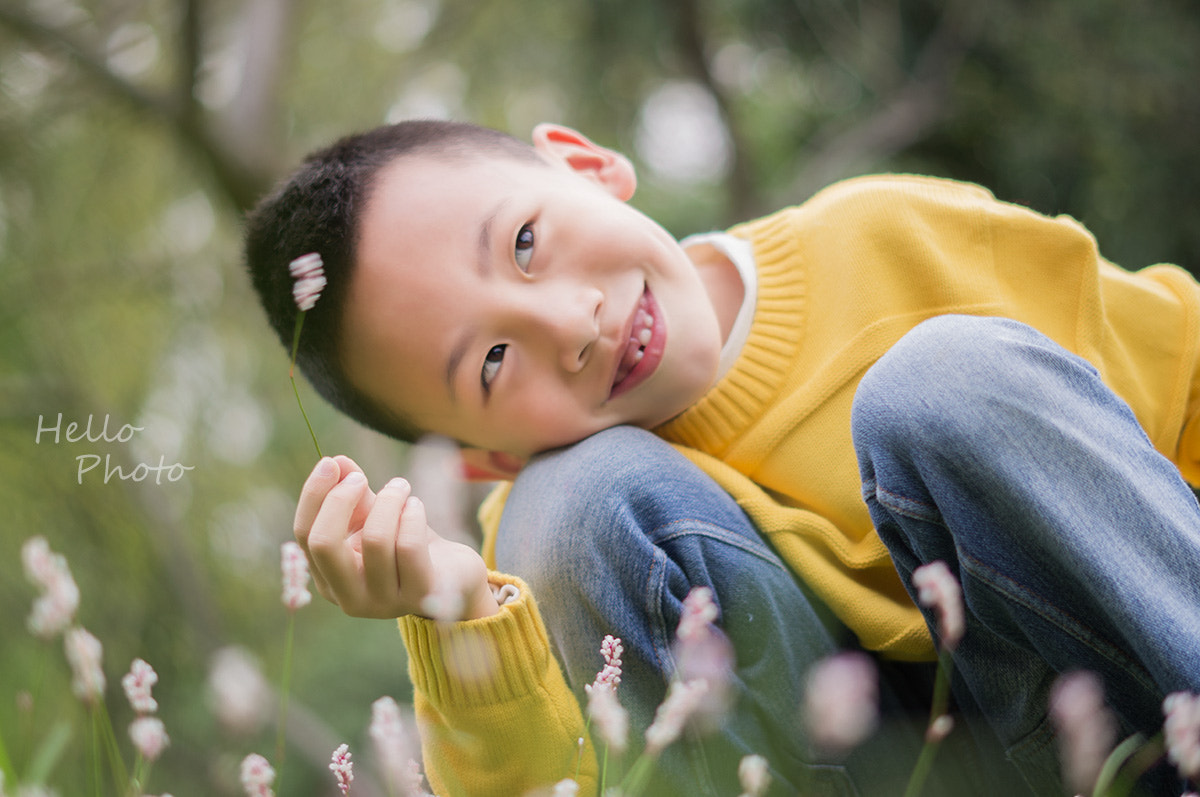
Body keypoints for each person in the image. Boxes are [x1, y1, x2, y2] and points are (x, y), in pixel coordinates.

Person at [244, 119, 1200, 796]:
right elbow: (560, 782)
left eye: (526, 241)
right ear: (489, 455)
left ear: (585, 163)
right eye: (492, 362)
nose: (571, 325)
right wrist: (461, 621)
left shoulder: (888, 240)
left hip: (1134, 717)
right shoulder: (539, 559)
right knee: (568, 510)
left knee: (941, 379)